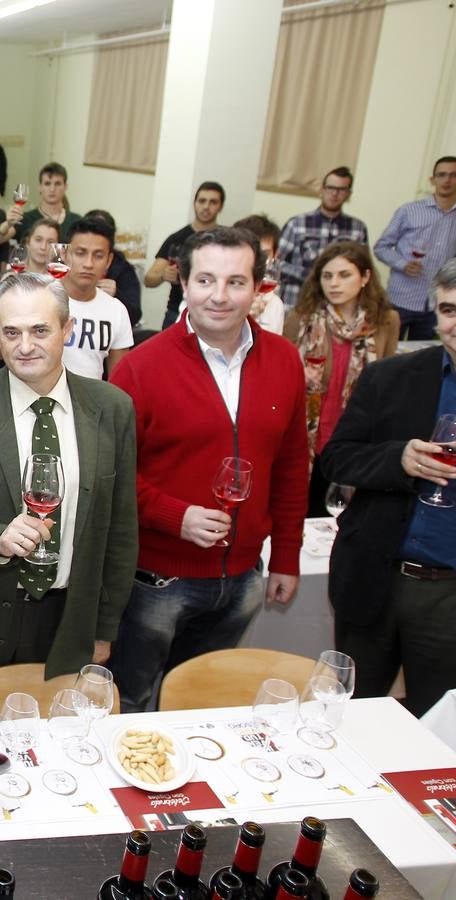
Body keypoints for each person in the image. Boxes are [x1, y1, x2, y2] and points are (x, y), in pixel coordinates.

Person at [108, 227, 308, 712]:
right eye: (206, 280)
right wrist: (174, 515)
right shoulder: (141, 366)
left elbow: (292, 465)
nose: (219, 296)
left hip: (242, 578)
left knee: (200, 706)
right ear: (183, 280)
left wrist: (285, 555)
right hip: (156, 581)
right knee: (128, 702)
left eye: (236, 282)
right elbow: (109, 475)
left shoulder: (284, 360)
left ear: (260, 287)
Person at [0, 273, 137, 695]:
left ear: (67, 330)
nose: (25, 345)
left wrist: (105, 627)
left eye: (40, 330)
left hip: (67, 624)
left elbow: (121, 529)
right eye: (11, 332)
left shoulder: (112, 410)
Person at [321, 253, 456, 716]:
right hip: (373, 581)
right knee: (350, 715)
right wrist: (397, 458)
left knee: (440, 724)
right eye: (449, 310)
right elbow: (337, 458)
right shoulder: (392, 377)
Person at [283, 242, 399, 516]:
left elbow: (386, 380)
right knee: (301, 514)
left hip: (355, 436)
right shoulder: (301, 318)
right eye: (327, 275)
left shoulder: (386, 320)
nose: (334, 283)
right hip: (305, 437)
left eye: (344, 275)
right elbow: (283, 379)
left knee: (342, 517)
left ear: (365, 277)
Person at [373, 156, 456, 341]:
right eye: (442, 175)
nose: (447, 180)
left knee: (421, 359)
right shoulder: (409, 211)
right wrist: (402, 264)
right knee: (385, 354)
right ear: (433, 179)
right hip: (401, 299)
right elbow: (381, 247)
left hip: (437, 303)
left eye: (454, 175)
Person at [276, 167, 369, 309]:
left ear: (348, 194)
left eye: (341, 189)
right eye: (330, 188)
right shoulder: (297, 224)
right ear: (321, 190)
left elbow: (363, 268)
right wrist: (310, 275)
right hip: (297, 301)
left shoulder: (357, 228)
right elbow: (275, 263)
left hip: (339, 306)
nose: (334, 194)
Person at [58, 217, 134, 380]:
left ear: (109, 261)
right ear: (64, 254)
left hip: (92, 403)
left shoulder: (117, 310)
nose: (88, 264)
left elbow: (117, 380)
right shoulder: (40, 298)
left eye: (98, 256)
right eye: (80, 253)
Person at [146, 182, 226, 329]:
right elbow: (149, 279)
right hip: (177, 312)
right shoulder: (176, 239)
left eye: (213, 202)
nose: (206, 206)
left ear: (221, 206)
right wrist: (163, 275)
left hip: (216, 311)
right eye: (202, 201)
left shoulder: (227, 240)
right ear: (194, 203)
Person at [83, 209, 143, 329]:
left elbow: (135, 315)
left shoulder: (123, 269)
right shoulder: (71, 263)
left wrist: (117, 295)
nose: (89, 263)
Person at [233, 213, 286, 335]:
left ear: (275, 255)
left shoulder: (276, 305)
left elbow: (273, 350)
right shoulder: (215, 296)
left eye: (265, 255)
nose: (257, 262)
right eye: (249, 253)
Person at [12, 162, 80, 245]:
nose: (52, 189)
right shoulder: (25, 219)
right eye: (47, 184)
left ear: (65, 187)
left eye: (57, 184)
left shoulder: (77, 221)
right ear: (40, 187)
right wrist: (7, 224)